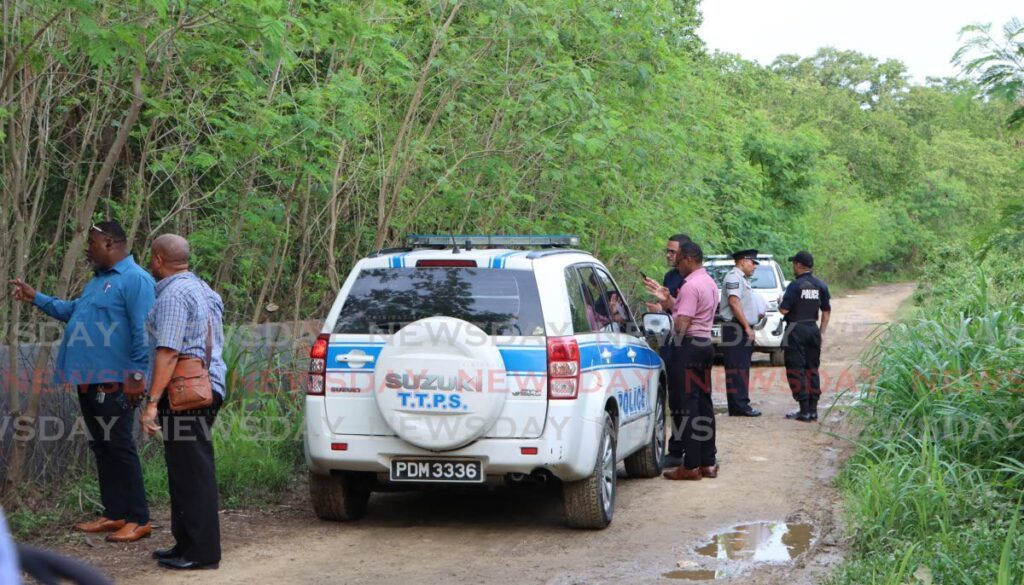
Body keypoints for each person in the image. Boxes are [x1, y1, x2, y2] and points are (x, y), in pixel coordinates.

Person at [9, 221, 154, 543]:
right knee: (101, 447)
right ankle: (115, 514)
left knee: (119, 447)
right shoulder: (98, 282)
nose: (87, 248)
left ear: (110, 243)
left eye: (91, 242)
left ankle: (139, 518)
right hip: (88, 381)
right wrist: (37, 298)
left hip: (115, 383)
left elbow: (143, 333)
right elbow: (72, 311)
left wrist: (136, 377)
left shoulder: (136, 280)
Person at [140, 234, 226, 570]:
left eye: (151, 258)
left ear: (159, 259)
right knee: (183, 470)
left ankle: (202, 553)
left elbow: (169, 350)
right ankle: (185, 544)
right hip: (205, 386)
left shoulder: (174, 294)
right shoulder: (204, 289)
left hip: (185, 394)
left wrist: (151, 403)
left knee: (193, 472)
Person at [649, 242, 719, 481]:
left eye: (678, 261)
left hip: (688, 347)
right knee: (703, 405)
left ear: (689, 259)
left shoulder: (691, 286)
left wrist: (675, 345)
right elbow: (685, 311)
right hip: (705, 345)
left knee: (686, 407)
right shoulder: (709, 282)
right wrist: (669, 302)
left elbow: (682, 322)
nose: (676, 266)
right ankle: (708, 461)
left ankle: (690, 466)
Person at [642, 233, 691, 467]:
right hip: (669, 342)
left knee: (687, 398)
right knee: (673, 398)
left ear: (685, 254)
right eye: (667, 251)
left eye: (673, 251)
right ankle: (676, 447)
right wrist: (658, 308)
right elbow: (670, 308)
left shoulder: (692, 280)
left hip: (689, 344)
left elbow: (684, 312)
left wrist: (668, 304)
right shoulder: (670, 276)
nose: (669, 255)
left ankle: (686, 448)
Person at [778, 251, 831, 422]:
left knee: (796, 368)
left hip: (795, 329)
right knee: (812, 369)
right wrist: (821, 333)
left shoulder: (795, 286)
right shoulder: (821, 285)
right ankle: (813, 410)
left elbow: (783, 310)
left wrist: (781, 300)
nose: (793, 266)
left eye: (794, 263)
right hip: (813, 329)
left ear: (799, 265)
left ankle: (804, 410)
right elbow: (826, 311)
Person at [719, 249, 763, 417]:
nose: (754, 267)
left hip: (738, 327)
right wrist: (746, 326)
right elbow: (734, 302)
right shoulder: (733, 277)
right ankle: (739, 406)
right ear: (743, 261)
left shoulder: (742, 279)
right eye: (753, 263)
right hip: (734, 328)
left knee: (741, 367)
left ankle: (740, 404)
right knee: (737, 368)